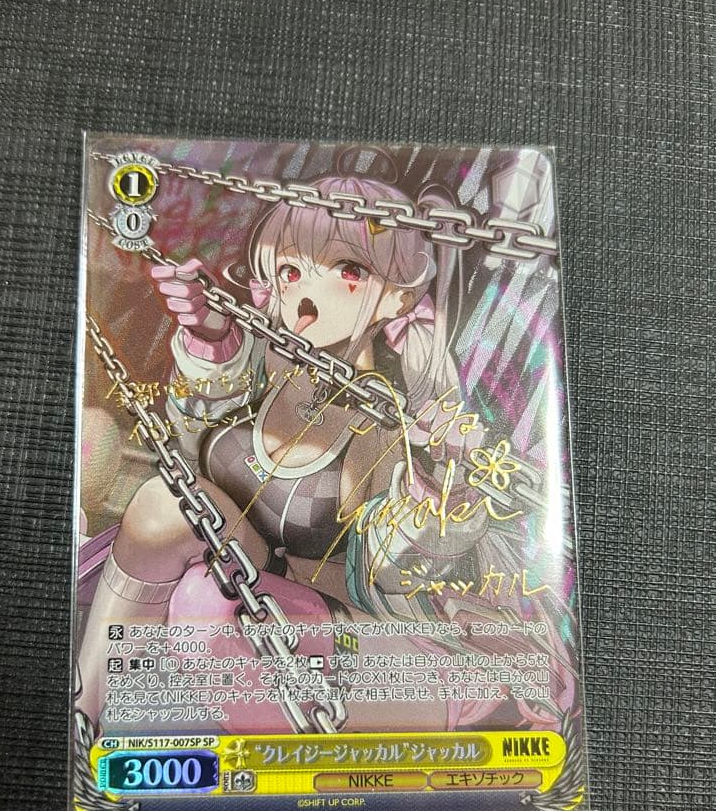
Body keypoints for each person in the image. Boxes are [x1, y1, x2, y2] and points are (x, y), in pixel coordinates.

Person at [76, 171, 575, 733]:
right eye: (290, 271)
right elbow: (188, 456)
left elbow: (397, 569)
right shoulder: (265, 371)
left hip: (384, 654)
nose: (305, 293)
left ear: (398, 295)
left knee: (207, 602)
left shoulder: (397, 419)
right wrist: (211, 339)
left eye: (347, 269)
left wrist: (442, 488)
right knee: (164, 506)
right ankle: (84, 719)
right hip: (258, 602)